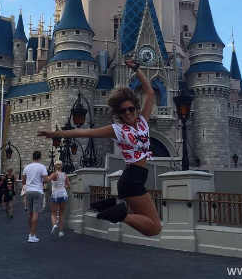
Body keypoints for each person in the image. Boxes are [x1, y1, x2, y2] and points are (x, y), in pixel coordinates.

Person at [37, 60, 161, 237]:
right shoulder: (117, 130)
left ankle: (113, 208)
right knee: (154, 228)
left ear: (135, 107)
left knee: (153, 226)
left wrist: (136, 69)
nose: (127, 113)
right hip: (131, 178)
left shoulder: (143, 122)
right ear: (119, 113)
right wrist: (54, 134)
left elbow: (149, 91)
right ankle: (119, 213)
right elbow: (85, 131)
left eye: (130, 108)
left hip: (137, 179)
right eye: (123, 111)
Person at [21, 151, 49, 243]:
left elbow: (23, 181)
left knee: (30, 213)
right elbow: (45, 180)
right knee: (36, 213)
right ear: (40, 157)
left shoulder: (27, 167)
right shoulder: (42, 167)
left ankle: (31, 233)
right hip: (38, 191)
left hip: (28, 191)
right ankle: (32, 235)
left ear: (32, 157)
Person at [48, 160, 71, 238]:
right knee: (61, 213)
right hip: (63, 194)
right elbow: (69, 186)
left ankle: (54, 225)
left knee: (53, 213)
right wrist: (65, 186)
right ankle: (61, 232)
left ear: (55, 167)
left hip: (55, 194)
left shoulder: (54, 174)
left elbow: (47, 180)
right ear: (61, 167)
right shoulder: (65, 175)